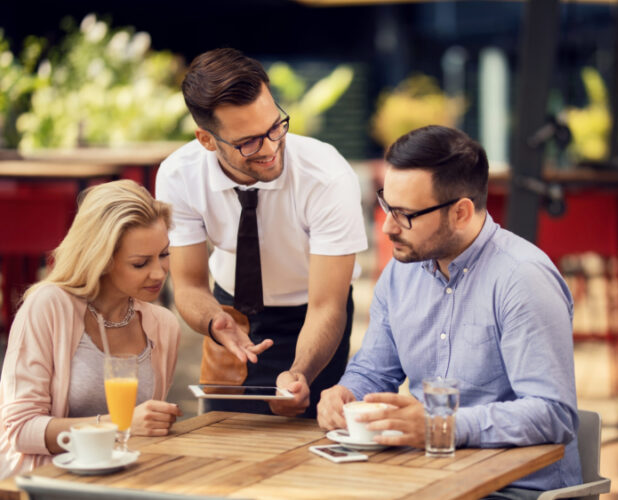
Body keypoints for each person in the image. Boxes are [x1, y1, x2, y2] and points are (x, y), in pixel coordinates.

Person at [317, 126, 582, 498]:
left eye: (405, 214)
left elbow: (553, 414)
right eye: (386, 205)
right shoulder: (401, 271)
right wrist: (347, 393)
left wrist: (439, 426)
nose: (389, 226)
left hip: (513, 491)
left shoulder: (522, 278)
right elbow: (375, 370)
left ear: (460, 212)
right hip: (428, 479)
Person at [155, 48, 367, 418]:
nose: (271, 148)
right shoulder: (179, 176)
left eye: (275, 126)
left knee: (308, 447)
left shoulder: (327, 176)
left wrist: (299, 373)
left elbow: (327, 305)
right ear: (206, 140)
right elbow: (188, 287)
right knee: (223, 438)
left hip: (313, 314)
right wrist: (214, 322)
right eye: (248, 141)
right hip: (229, 313)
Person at [0, 180, 182, 480]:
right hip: (48, 484)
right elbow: (20, 430)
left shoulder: (163, 326)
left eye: (164, 254)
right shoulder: (49, 306)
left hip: (127, 482)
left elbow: (145, 434)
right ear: (103, 258)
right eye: (140, 263)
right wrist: (118, 425)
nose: (159, 273)